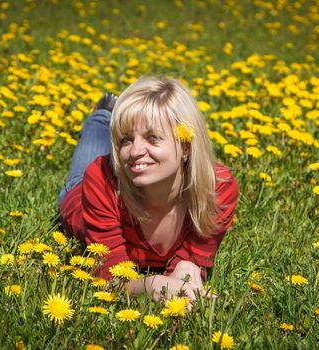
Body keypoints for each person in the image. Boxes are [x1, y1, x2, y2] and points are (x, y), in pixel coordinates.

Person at [58, 76, 238, 302]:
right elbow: (109, 277)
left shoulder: (217, 189)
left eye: (152, 138)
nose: (135, 152)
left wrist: (187, 266)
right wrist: (150, 284)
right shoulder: (100, 179)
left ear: (185, 145)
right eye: (125, 139)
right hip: (80, 192)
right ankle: (103, 115)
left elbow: (193, 260)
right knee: (90, 149)